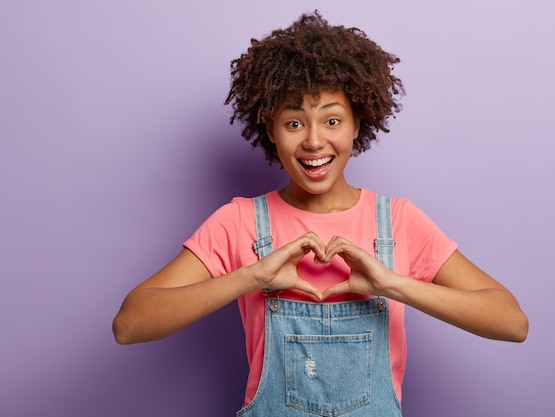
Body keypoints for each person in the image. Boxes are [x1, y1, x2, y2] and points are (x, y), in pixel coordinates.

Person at [113, 10, 528, 416]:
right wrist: (253, 277)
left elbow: (511, 323)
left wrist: (393, 284)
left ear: (356, 124)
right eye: (294, 123)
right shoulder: (238, 221)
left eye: (332, 120)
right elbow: (129, 325)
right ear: (270, 130)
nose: (314, 141)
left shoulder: (399, 221)